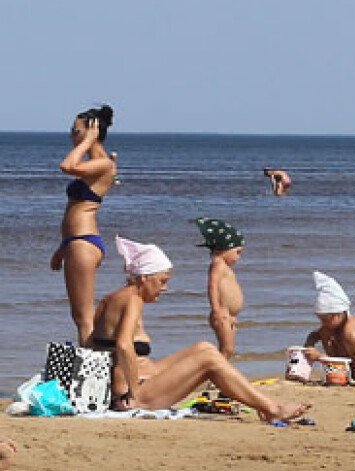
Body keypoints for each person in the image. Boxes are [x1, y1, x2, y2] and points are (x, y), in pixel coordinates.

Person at [91, 235, 309, 422]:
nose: (164, 288)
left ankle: (264, 405)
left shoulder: (112, 299)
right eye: (162, 281)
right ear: (145, 277)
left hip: (136, 383)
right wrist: (134, 391)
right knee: (209, 360)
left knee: (204, 348)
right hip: (135, 395)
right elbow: (123, 345)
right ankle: (272, 409)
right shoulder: (133, 300)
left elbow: (93, 344)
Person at [50, 105, 117, 347]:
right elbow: (74, 210)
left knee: (83, 317)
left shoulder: (103, 163)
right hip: (74, 243)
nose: (71, 134)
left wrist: (86, 141)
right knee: (80, 316)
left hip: (83, 242)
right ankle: (93, 370)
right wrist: (61, 249)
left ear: (91, 131)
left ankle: (89, 378)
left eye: (74, 130)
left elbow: (66, 166)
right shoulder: (93, 163)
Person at [303, 271, 355, 387]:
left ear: (338, 314)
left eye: (326, 319)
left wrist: (320, 357)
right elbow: (314, 334)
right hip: (353, 364)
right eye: (320, 319)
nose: (323, 323)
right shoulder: (332, 326)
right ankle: (338, 373)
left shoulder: (350, 326)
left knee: (350, 335)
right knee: (324, 332)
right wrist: (309, 344)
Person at [194, 217, 245, 359]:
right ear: (225, 248)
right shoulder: (218, 264)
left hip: (229, 315)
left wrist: (232, 315)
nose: (238, 258)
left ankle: (220, 377)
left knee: (228, 350)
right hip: (222, 313)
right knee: (226, 349)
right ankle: (214, 377)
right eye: (237, 252)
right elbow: (212, 286)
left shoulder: (224, 266)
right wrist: (216, 310)